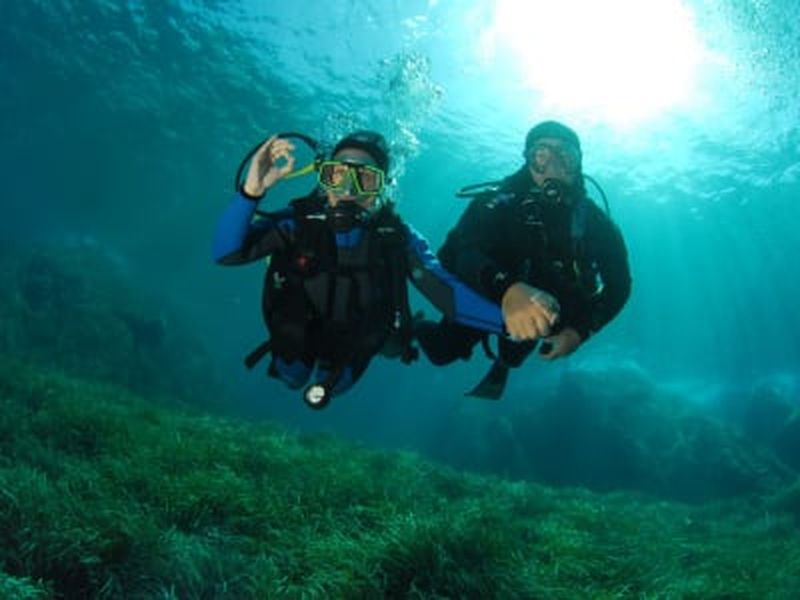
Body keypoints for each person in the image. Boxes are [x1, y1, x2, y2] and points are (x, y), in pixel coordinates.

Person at [212, 130, 506, 408]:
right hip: (292, 335)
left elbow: (447, 295)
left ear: (381, 187)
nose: (348, 190)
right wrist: (251, 191)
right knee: (292, 377)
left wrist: (512, 322)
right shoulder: (295, 224)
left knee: (339, 384)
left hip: (355, 346)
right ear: (323, 178)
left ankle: (403, 335)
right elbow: (226, 254)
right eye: (337, 175)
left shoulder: (398, 239)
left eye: (365, 179)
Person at [415, 120, 632, 398]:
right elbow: (461, 253)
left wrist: (580, 331)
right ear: (528, 161)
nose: (552, 166)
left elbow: (620, 286)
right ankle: (416, 324)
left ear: (577, 164)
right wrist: (507, 290)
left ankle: (504, 364)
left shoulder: (597, 224)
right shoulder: (495, 203)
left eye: (564, 156)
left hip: (545, 308)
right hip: (486, 293)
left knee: (514, 354)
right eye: (542, 155)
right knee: (442, 352)